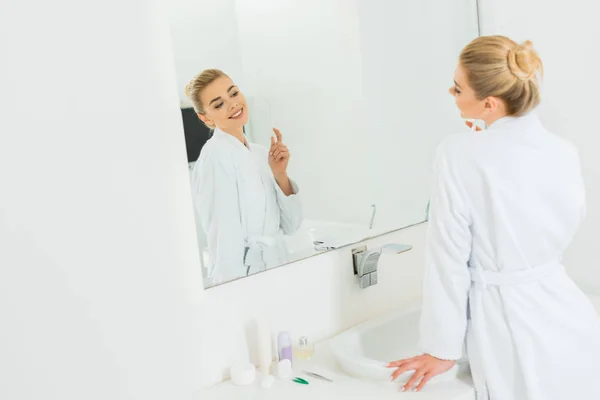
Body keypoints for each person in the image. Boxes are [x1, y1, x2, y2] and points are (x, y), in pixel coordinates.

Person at [387, 36, 600, 399]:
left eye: (457, 88)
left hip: (507, 324)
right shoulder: (563, 151)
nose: (451, 92)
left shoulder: (456, 153)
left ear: (488, 103)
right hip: (570, 318)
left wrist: (440, 348)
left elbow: (447, 257)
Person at [185, 69, 302, 285]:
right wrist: (234, 294)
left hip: (278, 270)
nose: (233, 104)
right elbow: (224, 238)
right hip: (245, 280)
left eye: (234, 93)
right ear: (205, 118)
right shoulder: (215, 156)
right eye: (218, 104)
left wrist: (280, 174)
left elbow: (292, 226)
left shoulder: (259, 154)